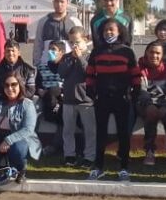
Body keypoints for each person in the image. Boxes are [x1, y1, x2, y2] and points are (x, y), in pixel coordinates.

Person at [85, 19, 141, 181]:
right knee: (100, 134)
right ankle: (98, 167)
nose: (108, 33)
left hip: (122, 98)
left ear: (119, 32)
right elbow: (90, 73)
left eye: (112, 30)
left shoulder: (127, 52)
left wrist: (134, 93)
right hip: (101, 98)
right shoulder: (97, 51)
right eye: (105, 30)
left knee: (124, 134)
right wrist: (91, 92)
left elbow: (135, 75)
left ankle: (124, 168)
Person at [137, 41, 166, 167]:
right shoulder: (140, 69)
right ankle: (150, 150)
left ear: (162, 55)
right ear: (146, 53)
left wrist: (165, 105)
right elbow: (142, 90)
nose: (154, 56)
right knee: (150, 114)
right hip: (146, 103)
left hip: (164, 103)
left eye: (158, 53)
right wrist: (149, 104)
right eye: (151, 52)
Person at [58, 35, 96, 169]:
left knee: (89, 131)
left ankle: (89, 156)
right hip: (69, 99)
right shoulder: (67, 57)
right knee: (68, 129)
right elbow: (61, 72)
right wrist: (72, 58)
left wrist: (79, 57)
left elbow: (88, 72)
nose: (75, 45)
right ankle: (70, 155)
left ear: (85, 41)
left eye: (78, 42)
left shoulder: (91, 56)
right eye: (72, 42)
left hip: (86, 100)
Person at [31, 0, 82, 67]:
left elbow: (81, 44)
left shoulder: (75, 22)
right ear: (53, 2)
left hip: (69, 66)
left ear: (67, 3)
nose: (59, 4)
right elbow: (38, 43)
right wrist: (37, 63)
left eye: (62, 2)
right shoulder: (43, 21)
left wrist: (79, 61)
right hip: (46, 65)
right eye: (56, 1)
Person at [36, 40, 65, 123]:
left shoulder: (67, 68)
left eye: (53, 49)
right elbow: (37, 86)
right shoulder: (42, 68)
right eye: (49, 49)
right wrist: (39, 90)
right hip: (48, 101)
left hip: (63, 102)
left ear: (61, 52)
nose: (50, 52)